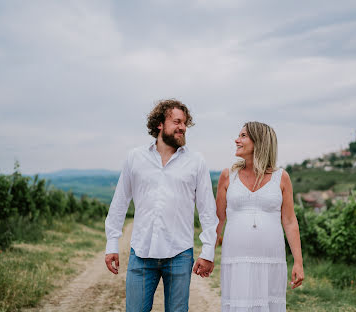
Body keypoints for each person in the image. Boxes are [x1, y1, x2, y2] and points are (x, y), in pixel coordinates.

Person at [104, 99, 218, 312]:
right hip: (141, 253)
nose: (182, 127)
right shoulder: (135, 158)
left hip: (180, 254)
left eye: (185, 123)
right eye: (177, 122)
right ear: (159, 124)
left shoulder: (196, 162)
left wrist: (208, 251)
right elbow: (119, 203)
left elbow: (207, 211)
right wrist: (112, 244)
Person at [216, 121, 304, 312]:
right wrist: (207, 255)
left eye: (243, 136)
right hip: (236, 260)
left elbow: (289, 221)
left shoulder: (281, 177)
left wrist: (298, 261)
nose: (237, 140)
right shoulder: (227, 176)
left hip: (272, 260)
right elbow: (218, 220)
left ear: (260, 142)